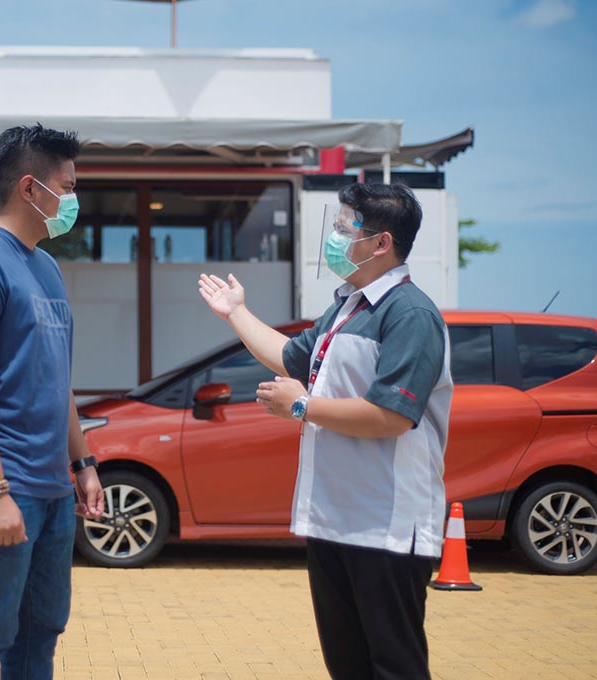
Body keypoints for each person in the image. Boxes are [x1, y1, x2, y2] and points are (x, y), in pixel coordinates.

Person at [198, 182, 452, 679]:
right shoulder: (346, 308)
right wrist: (236, 312)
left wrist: (302, 406)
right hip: (334, 520)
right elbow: (289, 356)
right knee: (347, 665)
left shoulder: (410, 314)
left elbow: (393, 416)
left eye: (343, 228)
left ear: (381, 243)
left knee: (394, 666)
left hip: (387, 526)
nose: (333, 238)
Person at [0, 124, 105, 680]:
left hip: (52, 490)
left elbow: (57, 380)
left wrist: (83, 464)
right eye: (69, 186)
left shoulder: (45, 266)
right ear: (30, 188)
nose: (74, 199)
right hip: (2, 487)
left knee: (41, 632)